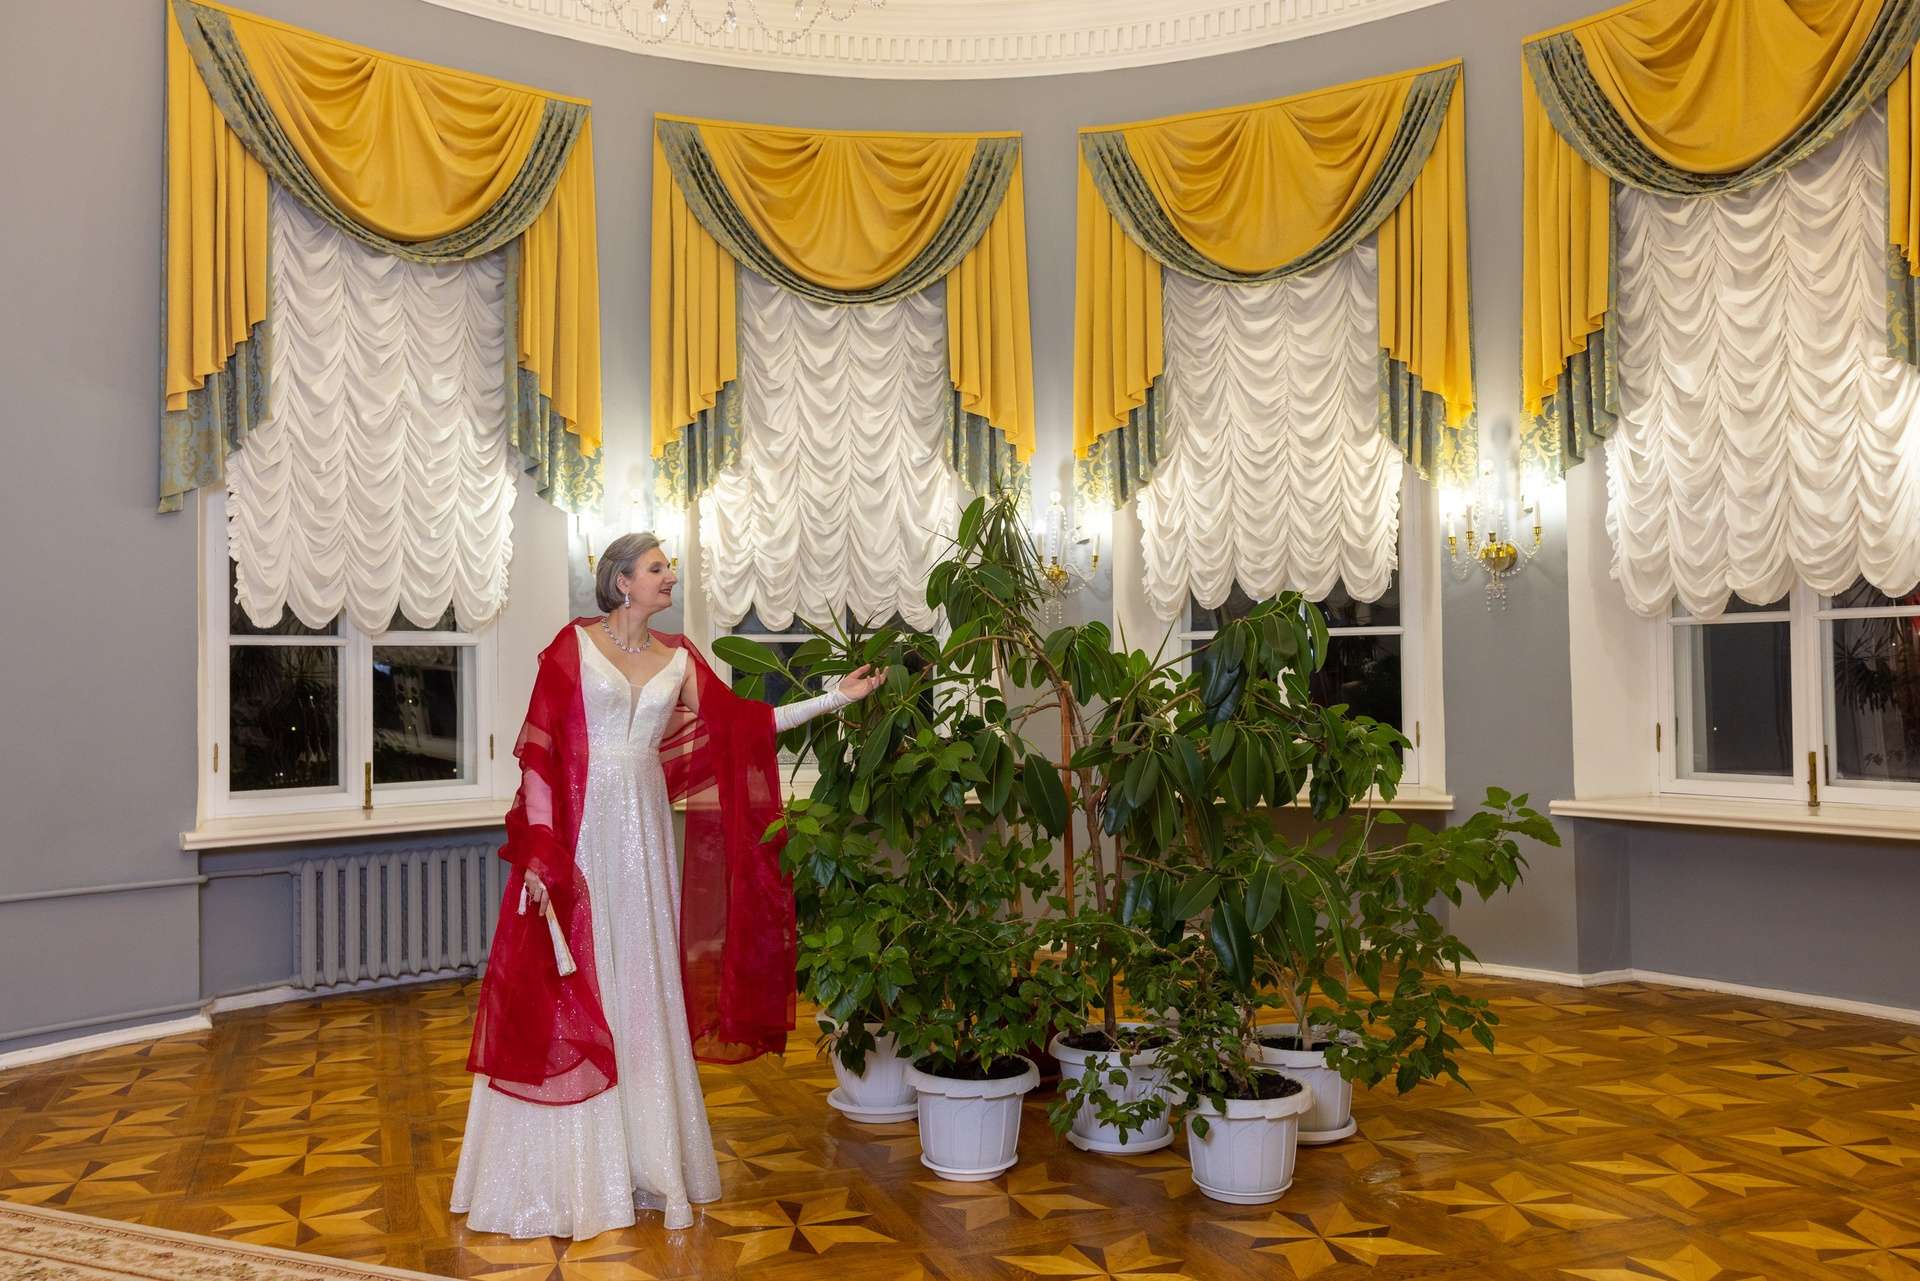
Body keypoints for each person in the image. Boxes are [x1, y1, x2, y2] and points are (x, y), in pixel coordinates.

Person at [452, 532, 881, 1238]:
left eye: (669, 568)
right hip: (582, 834)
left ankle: (647, 1159)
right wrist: (539, 853)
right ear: (621, 580)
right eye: (657, 568)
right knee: (578, 974)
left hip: (644, 838)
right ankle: (567, 1173)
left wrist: (834, 699)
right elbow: (539, 757)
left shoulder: (679, 659)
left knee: (642, 977)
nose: (670, 577)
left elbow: (745, 726)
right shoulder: (571, 648)